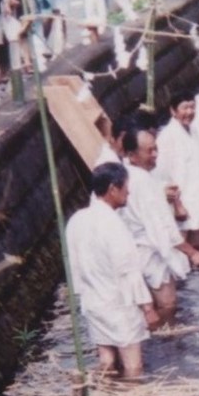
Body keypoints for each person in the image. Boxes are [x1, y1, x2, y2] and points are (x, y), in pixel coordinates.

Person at [66, 162, 158, 378]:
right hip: (119, 303)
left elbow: (74, 268)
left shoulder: (76, 220)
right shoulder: (113, 224)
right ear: (113, 189)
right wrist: (147, 308)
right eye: (126, 186)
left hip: (93, 302)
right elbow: (129, 271)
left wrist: (81, 295)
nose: (129, 191)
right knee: (133, 365)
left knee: (106, 360)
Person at [122, 128, 199, 328]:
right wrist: (192, 252)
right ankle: (153, 338)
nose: (155, 155)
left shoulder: (127, 176)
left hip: (135, 251)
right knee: (168, 304)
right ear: (132, 155)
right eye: (149, 151)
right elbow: (162, 228)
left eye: (156, 149)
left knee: (147, 304)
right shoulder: (141, 181)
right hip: (150, 252)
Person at [154, 91, 199, 249]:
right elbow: (162, 175)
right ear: (173, 111)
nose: (189, 112)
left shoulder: (194, 131)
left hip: (198, 200)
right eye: (185, 108)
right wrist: (178, 205)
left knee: (198, 244)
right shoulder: (167, 137)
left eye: (192, 107)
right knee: (182, 247)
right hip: (182, 203)